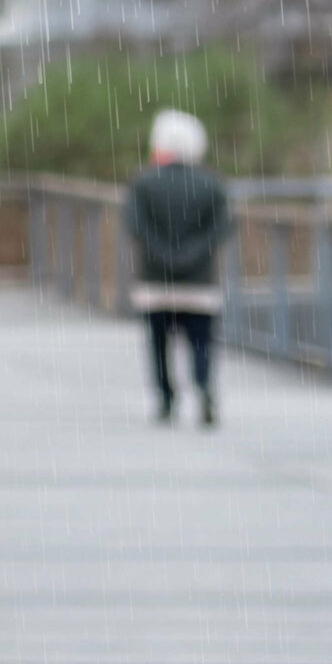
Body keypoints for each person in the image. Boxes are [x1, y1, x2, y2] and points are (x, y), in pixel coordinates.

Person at [124, 109, 232, 427]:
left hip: (155, 281)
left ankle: (166, 397)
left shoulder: (143, 183)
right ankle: (204, 388)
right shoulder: (212, 184)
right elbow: (221, 229)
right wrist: (191, 255)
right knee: (200, 341)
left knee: (159, 343)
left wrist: (165, 256)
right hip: (199, 282)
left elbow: (136, 227)